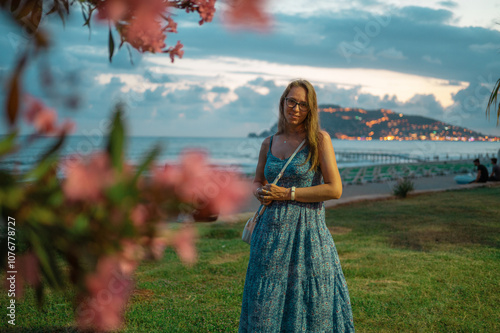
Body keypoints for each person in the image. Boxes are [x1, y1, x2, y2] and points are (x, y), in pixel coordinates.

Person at [239, 79, 355, 332]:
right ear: (283, 103)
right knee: (264, 305)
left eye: (303, 104)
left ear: (310, 109)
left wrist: (287, 193)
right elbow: (257, 180)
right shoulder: (268, 143)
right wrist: (260, 191)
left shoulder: (319, 140)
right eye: (291, 101)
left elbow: (334, 189)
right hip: (268, 237)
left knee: (312, 302)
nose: (296, 108)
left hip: (308, 236)